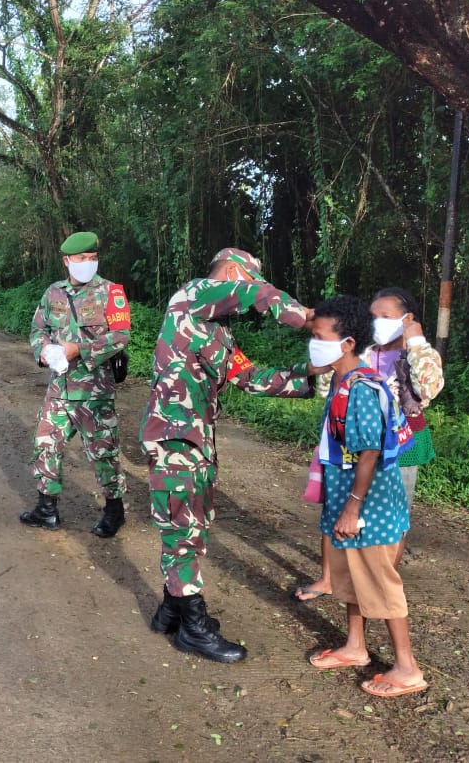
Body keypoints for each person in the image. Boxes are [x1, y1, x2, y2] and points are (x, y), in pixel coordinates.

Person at [141, 248, 318, 663]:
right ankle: (192, 627)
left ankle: (172, 610)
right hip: (174, 438)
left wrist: (308, 376)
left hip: (197, 440)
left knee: (194, 525)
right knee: (184, 531)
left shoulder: (218, 331)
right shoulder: (192, 296)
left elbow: (249, 376)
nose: (253, 289)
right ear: (236, 272)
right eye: (251, 280)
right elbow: (255, 296)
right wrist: (308, 317)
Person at [305, 296, 427, 698]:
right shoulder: (343, 380)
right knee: (353, 577)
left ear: (347, 343)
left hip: (368, 505)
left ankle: (407, 667)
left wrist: (352, 507)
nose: (313, 344)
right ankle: (355, 646)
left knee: (379, 581)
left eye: (320, 337)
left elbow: (371, 451)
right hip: (351, 500)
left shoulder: (360, 387)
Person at [294, 287, 443, 602]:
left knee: (392, 518)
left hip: (401, 444)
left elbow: (429, 389)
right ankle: (329, 578)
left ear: (407, 319)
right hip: (350, 440)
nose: (377, 322)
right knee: (336, 505)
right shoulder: (360, 350)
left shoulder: (418, 354)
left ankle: (381, 583)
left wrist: (416, 341)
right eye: (372, 316)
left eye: (386, 316)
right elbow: (327, 387)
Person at [19, 231, 131, 536]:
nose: (88, 263)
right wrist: (43, 350)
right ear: (67, 261)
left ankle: (114, 511)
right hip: (59, 388)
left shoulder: (110, 292)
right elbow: (37, 329)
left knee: (103, 451)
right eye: (82, 258)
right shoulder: (53, 293)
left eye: (93, 258)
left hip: (94, 391)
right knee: (45, 444)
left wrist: (79, 350)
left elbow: (121, 335)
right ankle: (46, 509)